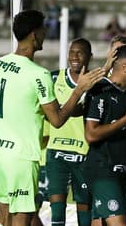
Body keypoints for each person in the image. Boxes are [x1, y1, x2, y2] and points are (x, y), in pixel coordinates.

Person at [0, 9, 104, 226]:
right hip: (20, 156)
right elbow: (57, 120)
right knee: (22, 217)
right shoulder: (38, 74)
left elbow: (27, 103)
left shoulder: (1, 64)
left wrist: (76, 107)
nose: (45, 34)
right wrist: (78, 90)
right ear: (33, 34)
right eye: (43, 30)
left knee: (4, 216)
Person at [83, 45, 126, 226]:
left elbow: (121, 129)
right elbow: (91, 134)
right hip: (102, 169)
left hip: (123, 170)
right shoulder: (100, 91)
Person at [45, 38, 94, 226]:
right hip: (56, 153)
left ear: (90, 56)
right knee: (57, 210)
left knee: (84, 209)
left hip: (84, 154)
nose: (74, 56)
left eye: (80, 52)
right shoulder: (52, 78)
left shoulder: (96, 83)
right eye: (71, 52)